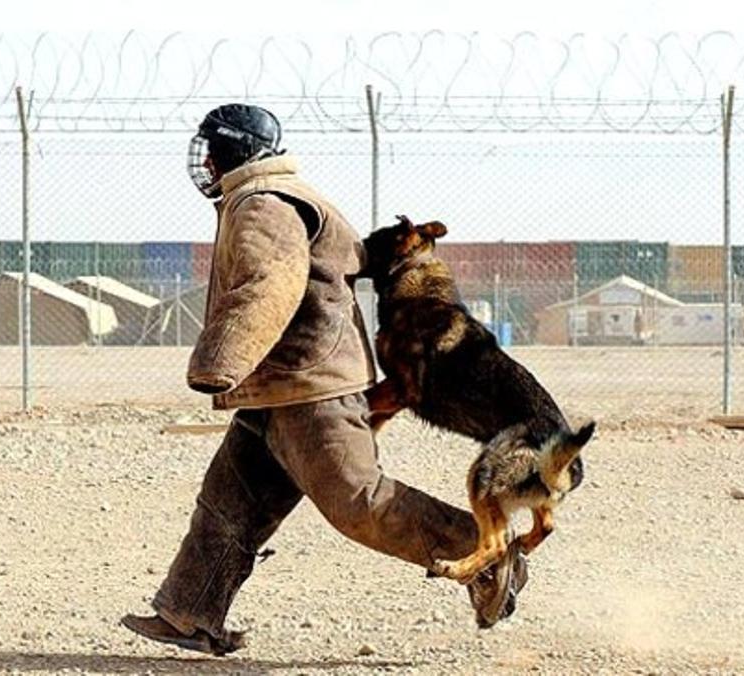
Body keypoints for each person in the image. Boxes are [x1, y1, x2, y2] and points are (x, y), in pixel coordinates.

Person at [120, 103, 529, 656]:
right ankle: (190, 613)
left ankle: (486, 551)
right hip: (280, 386)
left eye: (212, 151)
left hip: (311, 385)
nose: (207, 162)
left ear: (233, 151)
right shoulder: (270, 196)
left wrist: (221, 359)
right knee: (229, 503)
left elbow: (270, 282)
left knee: (358, 502)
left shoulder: (264, 203)